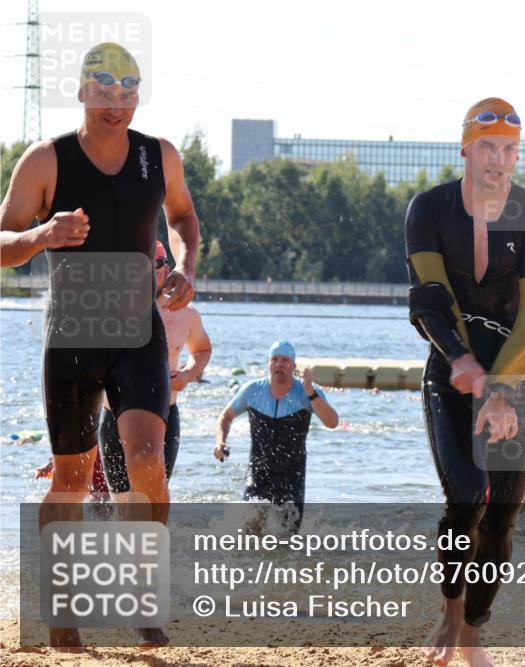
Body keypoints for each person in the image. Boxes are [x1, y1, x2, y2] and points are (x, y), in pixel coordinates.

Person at [0, 42, 199, 650]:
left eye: (128, 94)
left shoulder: (158, 156)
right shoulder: (45, 161)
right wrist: (43, 233)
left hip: (137, 336)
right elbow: (3, 244)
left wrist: (187, 264)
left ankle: (141, 596)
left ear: (138, 98)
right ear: (83, 92)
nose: (116, 105)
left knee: (147, 466)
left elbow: (184, 218)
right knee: (69, 481)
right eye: (105, 92)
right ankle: (62, 612)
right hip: (72, 340)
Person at [405, 97, 525, 667]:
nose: (499, 160)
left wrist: (499, 385)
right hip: (450, 373)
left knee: (501, 516)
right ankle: (449, 608)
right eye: (488, 148)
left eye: (510, 150)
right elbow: (430, 298)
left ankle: (473, 630)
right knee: (467, 497)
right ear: (465, 149)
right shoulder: (429, 209)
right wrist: (462, 363)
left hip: (515, 374)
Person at [99, 240, 212, 492]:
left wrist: (187, 375)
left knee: (153, 497)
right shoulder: (112, 309)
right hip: (115, 415)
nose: (149, 271)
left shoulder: (186, 314)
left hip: (165, 414)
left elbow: (203, 350)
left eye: (157, 264)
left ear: (167, 268)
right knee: (121, 502)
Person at [214, 340, 338, 534]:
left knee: (287, 538)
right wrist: (220, 441)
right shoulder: (252, 390)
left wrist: (310, 392)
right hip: (258, 472)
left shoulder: (308, 393)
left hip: (293, 475)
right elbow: (226, 416)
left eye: (285, 360)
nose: (279, 364)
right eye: (275, 359)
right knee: (250, 527)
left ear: (294, 366)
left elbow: (332, 422)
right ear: (268, 364)